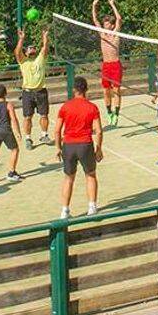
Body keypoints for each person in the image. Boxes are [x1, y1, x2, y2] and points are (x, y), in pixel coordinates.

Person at [54, 76, 104, 218]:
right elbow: (99, 130)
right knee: (91, 175)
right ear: (86, 89)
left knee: (68, 178)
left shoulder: (65, 107)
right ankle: (92, 207)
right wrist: (99, 148)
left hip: (68, 145)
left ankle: (65, 210)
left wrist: (58, 147)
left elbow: (57, 130)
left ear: (74, 90)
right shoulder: (92, 107)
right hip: (85, 144)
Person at [14, 28, 51, 150]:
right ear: (26, 51)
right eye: (30, 47)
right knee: (27, 117)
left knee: (44, 115)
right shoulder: (23, 61)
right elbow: (17, 52)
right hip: (28, 93)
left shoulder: (40, 58)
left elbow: (45, 48)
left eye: (34, 47)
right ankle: (28, 138)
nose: (32, 49)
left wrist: (45, 37)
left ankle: (44, 135)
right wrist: (21, 39)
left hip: (41, 91)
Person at [92, 0, 124, 127]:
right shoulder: (102, 34)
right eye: (104, 24)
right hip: (106, 65)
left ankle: (116, 114)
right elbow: (95, 20)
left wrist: (112, 4)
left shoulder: (116, 34)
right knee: (105, 91)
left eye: (107, 24)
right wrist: (94, 6)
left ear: (111, 26)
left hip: (115, 65)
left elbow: (119, 18)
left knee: (116, 91)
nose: (105, 25)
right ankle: (109, 112)